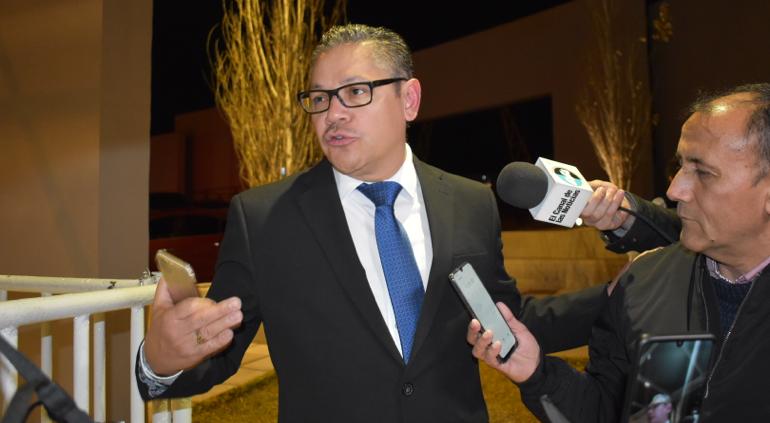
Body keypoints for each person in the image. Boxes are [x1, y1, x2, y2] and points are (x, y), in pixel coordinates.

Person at [134, 24, 614, 421]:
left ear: (409, 99)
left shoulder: (470, 202)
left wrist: (619, 295)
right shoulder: (263, 218)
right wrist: (160, 360)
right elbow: (214, 347)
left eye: (355, 92)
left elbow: (507, 319)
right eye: (319, 98)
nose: (333, 113)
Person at [468, 83, 770, 421]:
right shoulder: (644, 282)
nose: (675, 190)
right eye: (680, 167)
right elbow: (607, 410)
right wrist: (537, 375)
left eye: (703, 172)